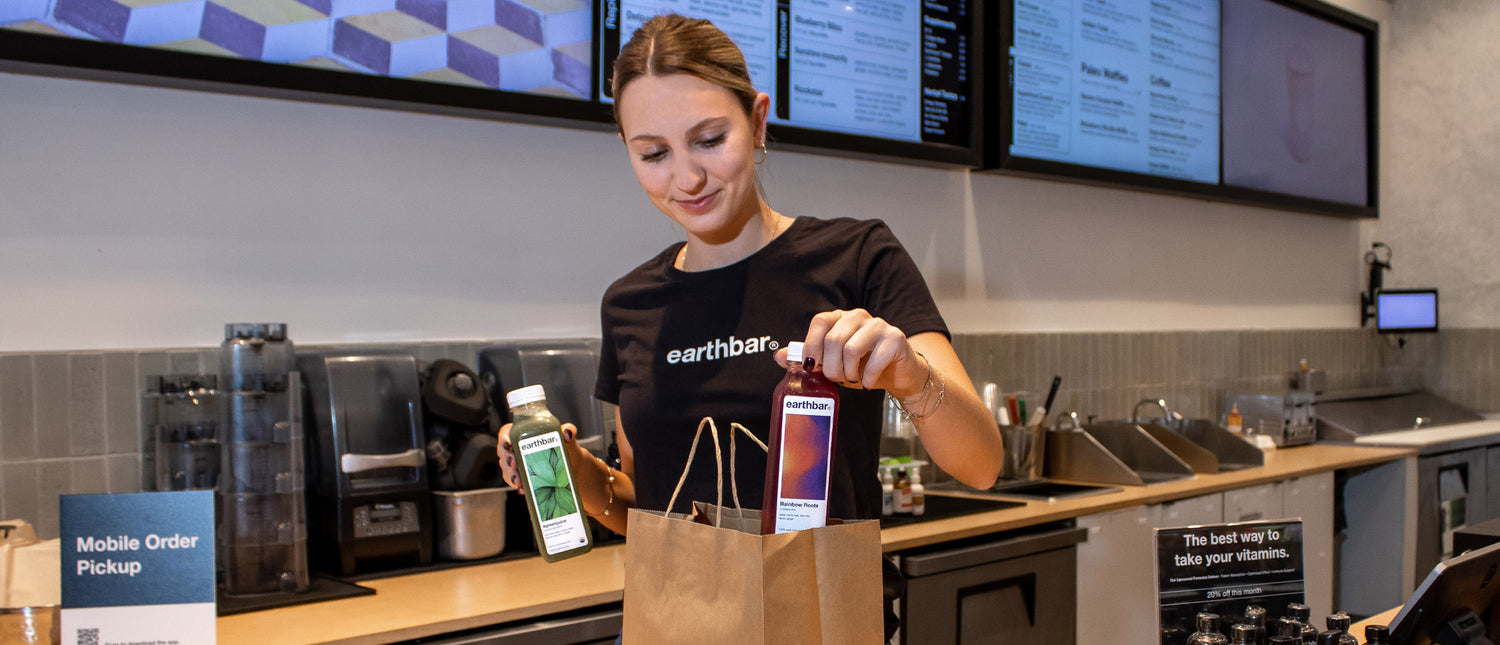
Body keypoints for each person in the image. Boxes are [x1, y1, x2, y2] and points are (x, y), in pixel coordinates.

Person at [497, 15, 1003, 633]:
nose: (686, 178)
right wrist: (568, 469)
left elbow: (980, 464)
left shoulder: (859, 256)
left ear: (757, 121)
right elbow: (644, 508)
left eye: (709, 140)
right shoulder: (629, 304)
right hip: (682, 623)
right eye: (653, 154)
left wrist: (905, 372)